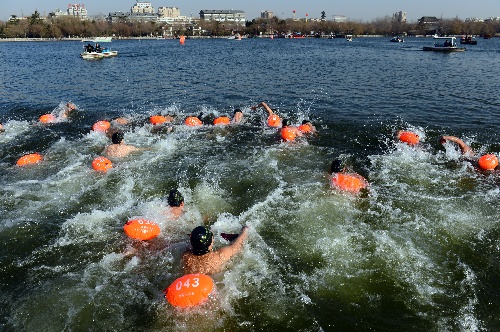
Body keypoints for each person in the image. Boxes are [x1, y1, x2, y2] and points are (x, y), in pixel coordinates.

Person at [182, 225, 249, 275]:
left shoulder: (185, 256)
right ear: (210, 244)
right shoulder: (218, 257)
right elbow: (237, 246)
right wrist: (244, 231)